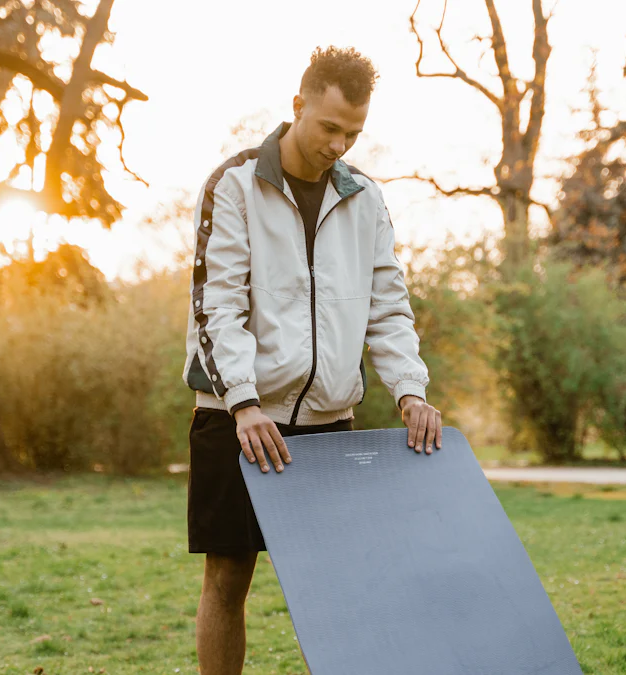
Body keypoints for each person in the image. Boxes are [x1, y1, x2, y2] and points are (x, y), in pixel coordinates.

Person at [182, 46, 443, 674]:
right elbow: (215, 307)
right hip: (237, 419)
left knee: (333, 589)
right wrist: (244, 404)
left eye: (353, 133)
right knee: (227, 580)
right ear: (297, 106)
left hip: (329, 422)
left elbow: (388, 307)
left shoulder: (366, 200)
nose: (339, 146)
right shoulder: (235, 184)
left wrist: (409, 389)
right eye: (329, 128)